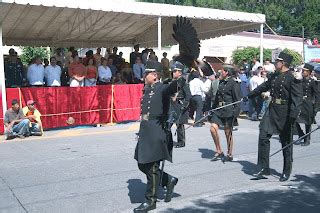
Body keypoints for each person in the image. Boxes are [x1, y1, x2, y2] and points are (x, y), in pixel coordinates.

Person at [133, 63, 185, 212]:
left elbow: (174, 87)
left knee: (151, 167)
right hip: (146, 130)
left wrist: (180, 76)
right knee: (142, 164)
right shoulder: (147, 90)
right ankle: (168, 180)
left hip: (157, 131)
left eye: (146, 74)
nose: (144, 77)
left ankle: (150, 201)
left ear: (155, 75)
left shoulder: (162, 88)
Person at [247, 52, 303, 182]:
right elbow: (264, 86)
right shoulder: (274, 75)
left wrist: (293, 116)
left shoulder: (292, 77)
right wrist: (250, 95)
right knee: (263, 136)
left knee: (286, 143)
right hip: (272, 110)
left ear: (283, 63)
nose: (274, 63)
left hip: (285, 113)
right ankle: (263, 167)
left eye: (277, 61)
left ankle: (286, 170)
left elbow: (297, 99)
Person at [209, 65, 241, 162]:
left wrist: (235, 113)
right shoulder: (221, 82)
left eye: (222, 70)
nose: (220, 72)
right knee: (212, 129)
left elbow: (237, 100)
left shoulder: (234, 83)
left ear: (227, 72)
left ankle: (229, 153)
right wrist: (212, 109)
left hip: (229, 110)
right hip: (218, 109)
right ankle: (219, 151)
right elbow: (217, 97)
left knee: (228, 133)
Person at [168, 61, 191, 148]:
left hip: (179, 104)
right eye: (173, 71)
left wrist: (184, 105)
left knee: (179, 125)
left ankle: (181, 142)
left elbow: (188, 95)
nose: (173, 73)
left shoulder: (183, 82)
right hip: (171, 105)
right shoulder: (172, 81)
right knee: (168, 124)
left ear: (180, 72)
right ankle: (166, 141)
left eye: (175, 71)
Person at [295, 63, 320, 146]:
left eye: (305, 71)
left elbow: (317, 95)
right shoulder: (300, 81)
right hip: (300, 103)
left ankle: (307, 139)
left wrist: (316, 106)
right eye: (303, 70)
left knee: (307, 122)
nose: (303, 72)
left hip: (308, 103)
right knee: (294, 120)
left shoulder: (312, 82)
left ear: (309, 72)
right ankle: (301, 134)